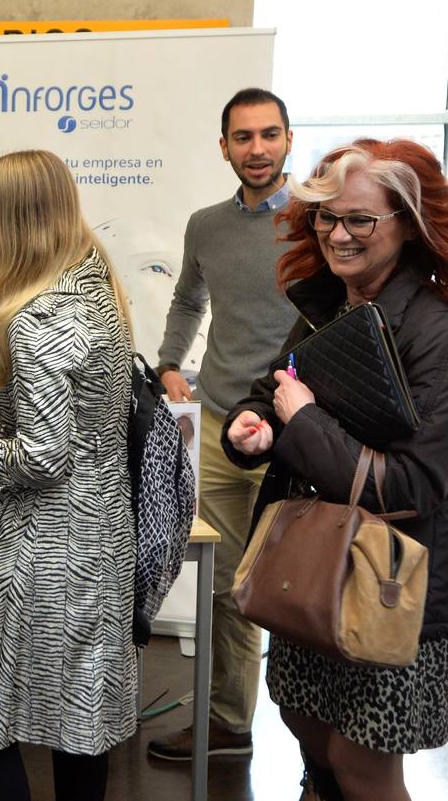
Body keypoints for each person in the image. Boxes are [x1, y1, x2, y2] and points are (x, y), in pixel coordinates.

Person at [224, 138, 448, 801]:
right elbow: (278, 384)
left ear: (408, 227)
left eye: (360, 219)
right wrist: (257, 424)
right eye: (327, 217)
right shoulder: (334, 307)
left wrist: (300, 422)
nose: (338, 234)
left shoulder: (443, 338)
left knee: (361, 766)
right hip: (320, 571)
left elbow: (412, 488)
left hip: (400, 591)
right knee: (309, 730)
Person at [0, 149, 136, 801]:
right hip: (99, 539)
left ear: (21, 220)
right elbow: (70, 417)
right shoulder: (93, 289)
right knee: (80, 724)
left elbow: (42, 454)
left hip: (40, 552)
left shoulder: (39, 317)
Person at [147, 87, 298, 761]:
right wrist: (170, 362)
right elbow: (187, 298)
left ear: (289, 140)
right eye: (244, 137)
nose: (257, 149)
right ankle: (231, 724)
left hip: (298, 427)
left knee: (301, 583)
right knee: (227, 582)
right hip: (216, 423)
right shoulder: (206, 224)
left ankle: (319, 742)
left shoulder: (320, 221)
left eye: (269, 135)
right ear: (224, 147)